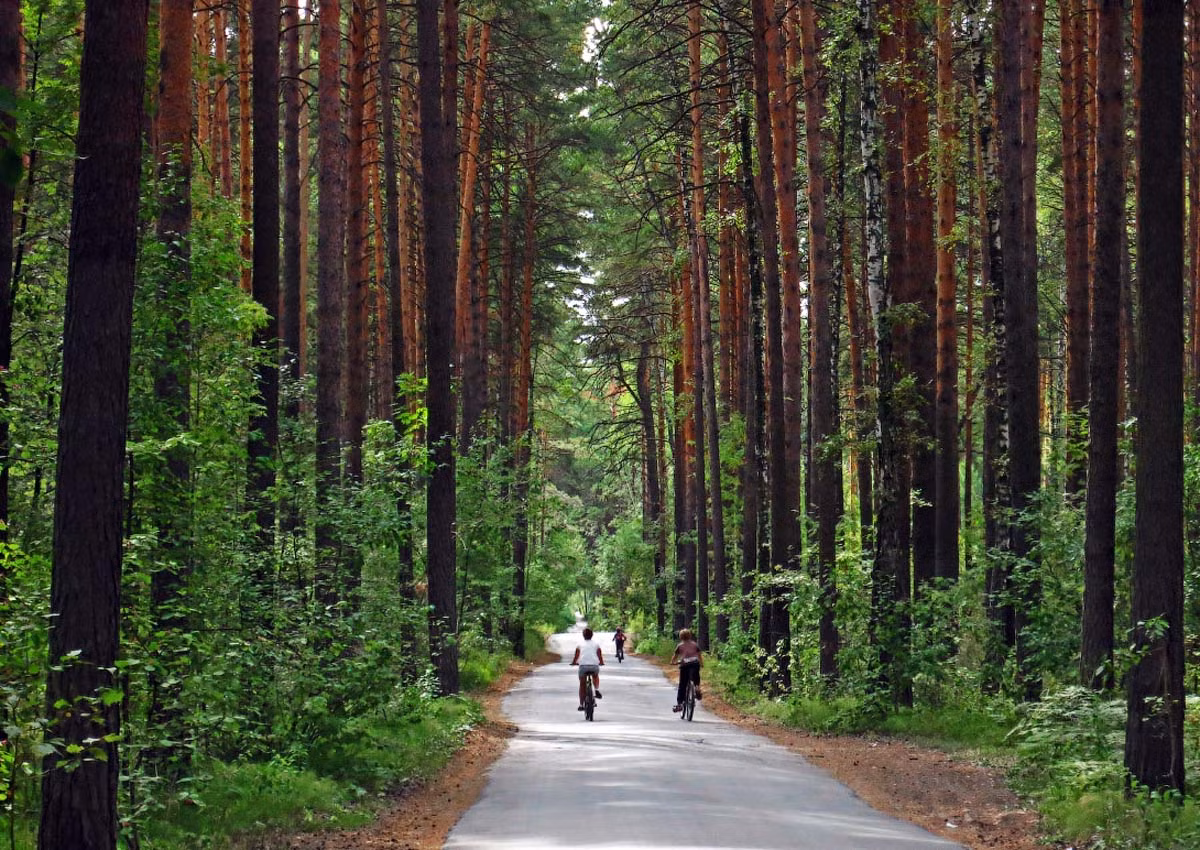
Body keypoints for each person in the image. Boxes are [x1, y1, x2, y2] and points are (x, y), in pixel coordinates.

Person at [570, 627, 604, 710]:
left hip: (583, 667)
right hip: (594, 666)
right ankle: (596, 689)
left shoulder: (579, 644)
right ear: (592, 635)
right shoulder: (596, 644)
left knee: (582, 685)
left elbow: (576, 656)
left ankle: (581, 705)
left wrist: (574, 662)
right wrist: (601, 662)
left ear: (583, 636)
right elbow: (599, 655)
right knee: (595, 675)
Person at [669, 628, 702, 712]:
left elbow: (675, 656)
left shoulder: (680, 646)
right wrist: (701, 663)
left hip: (685, 665)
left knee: (682, 684)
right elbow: (699, 655)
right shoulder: (695, 644)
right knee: (696, 677)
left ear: (681, 637)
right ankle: (697, 687)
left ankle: (680, 703)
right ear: (690, 635)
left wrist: (672, 662)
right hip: (695, 663)